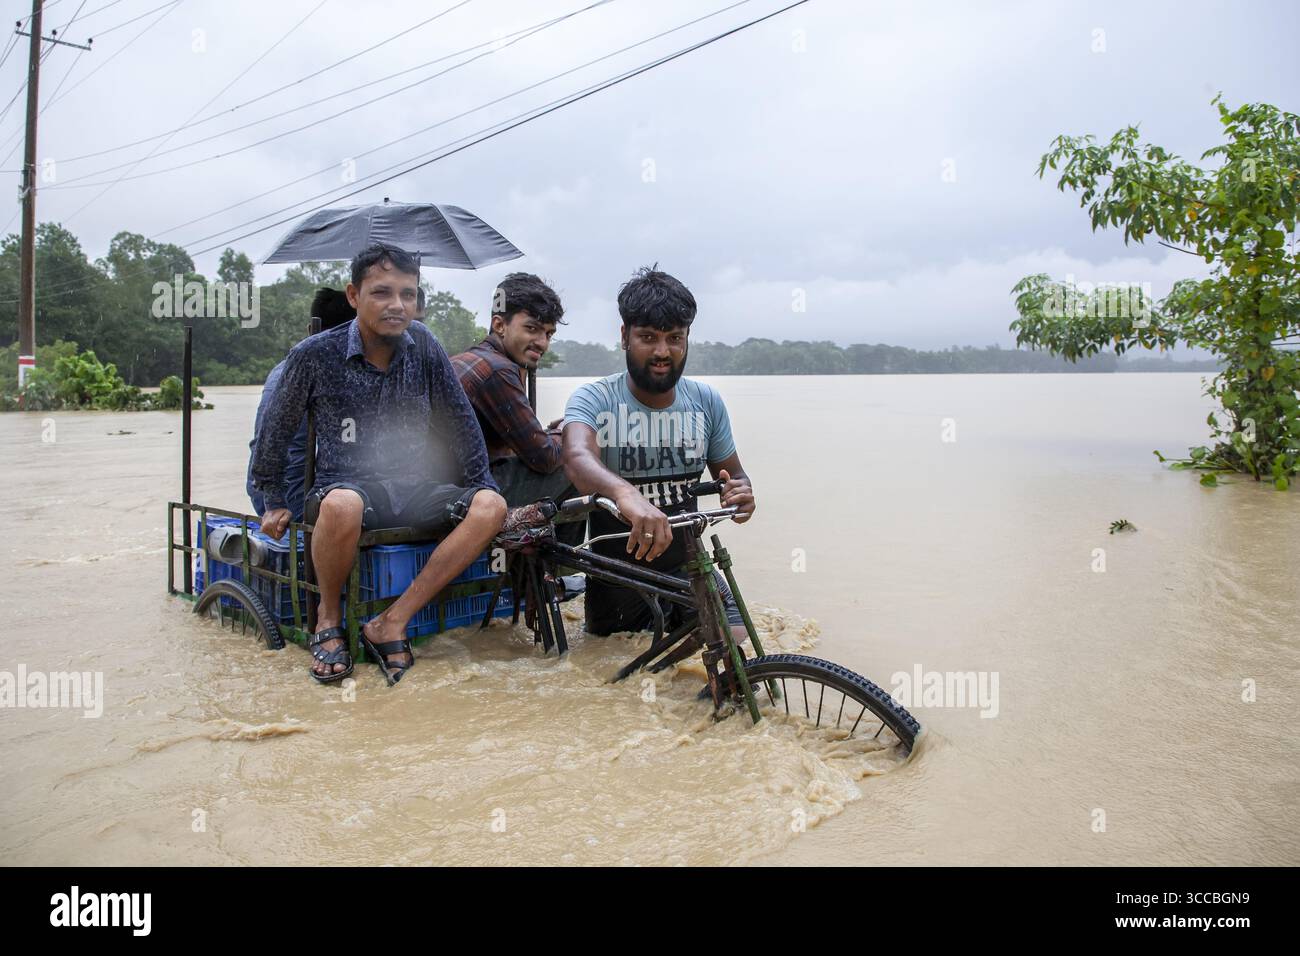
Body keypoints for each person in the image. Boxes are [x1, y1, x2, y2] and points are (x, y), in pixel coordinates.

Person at [251, 243, 506, 685]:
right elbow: (274, 435)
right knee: (343, 504)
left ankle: (391, 621)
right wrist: (272, 500)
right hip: (344, 488)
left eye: (408, 294)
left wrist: (482, 485)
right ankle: (327, 620)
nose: (397, 305)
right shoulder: (314, 355)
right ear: (354, 296)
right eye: (382, 293)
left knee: (491, 507)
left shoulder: (424, 345)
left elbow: (460, 423)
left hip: (413, 488)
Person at [561, 266, 756, 638]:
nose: (662, 352)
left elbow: (735, 476)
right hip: (618, 577)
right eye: (648, 337)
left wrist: (741, 495)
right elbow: (576, 457)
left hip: (689, 567)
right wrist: (624, 493)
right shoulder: (595, 398)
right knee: (616, 674)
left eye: (674, 337)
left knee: (737, 653)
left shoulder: (706, 402)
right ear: (624, 337)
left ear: (687, 339)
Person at [451, 274, 582, 544]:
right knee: (581, 462)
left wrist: (551, 434)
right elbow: (543, 457)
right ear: (499, 325)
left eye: (548, 334)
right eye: (532, 329)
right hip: (467, 494)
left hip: (452, 483)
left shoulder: (473, 358)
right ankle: (563, 564)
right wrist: (570, 431)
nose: (542, 343)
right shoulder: (497, 370)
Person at [246, 288, 356, 522]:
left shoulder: (282, 368)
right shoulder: (332, 371)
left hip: (261, 496)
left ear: (310, 330)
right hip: (294, 502)